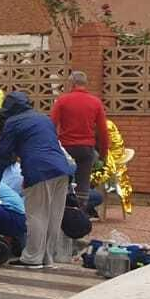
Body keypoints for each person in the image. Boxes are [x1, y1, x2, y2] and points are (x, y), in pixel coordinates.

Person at [0, 92, 76, 269]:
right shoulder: (44, 119)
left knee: (36, 215)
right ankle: (47, 258)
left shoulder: (13, 122)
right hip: (62, 171)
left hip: (39, 171)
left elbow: (2, 154)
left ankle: (32, 258)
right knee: (53, 217)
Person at [51, 70, 109, 206]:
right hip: (86, 148)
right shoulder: (96, 102)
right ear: (85, 84)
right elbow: (103, 131)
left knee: (63, 181)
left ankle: (63, 211)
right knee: (83, 183)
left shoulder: (62, 101)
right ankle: (81, 211)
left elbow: (51, 124)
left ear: (71, 83)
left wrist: (52, 147)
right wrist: (103, 153)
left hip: (66, 147)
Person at [90, 117, 133, 215]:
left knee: (85, 170)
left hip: (110, 161)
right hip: (107, 157)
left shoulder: (105, 126)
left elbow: (105, 147)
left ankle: (89, 208)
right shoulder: (104, 123)